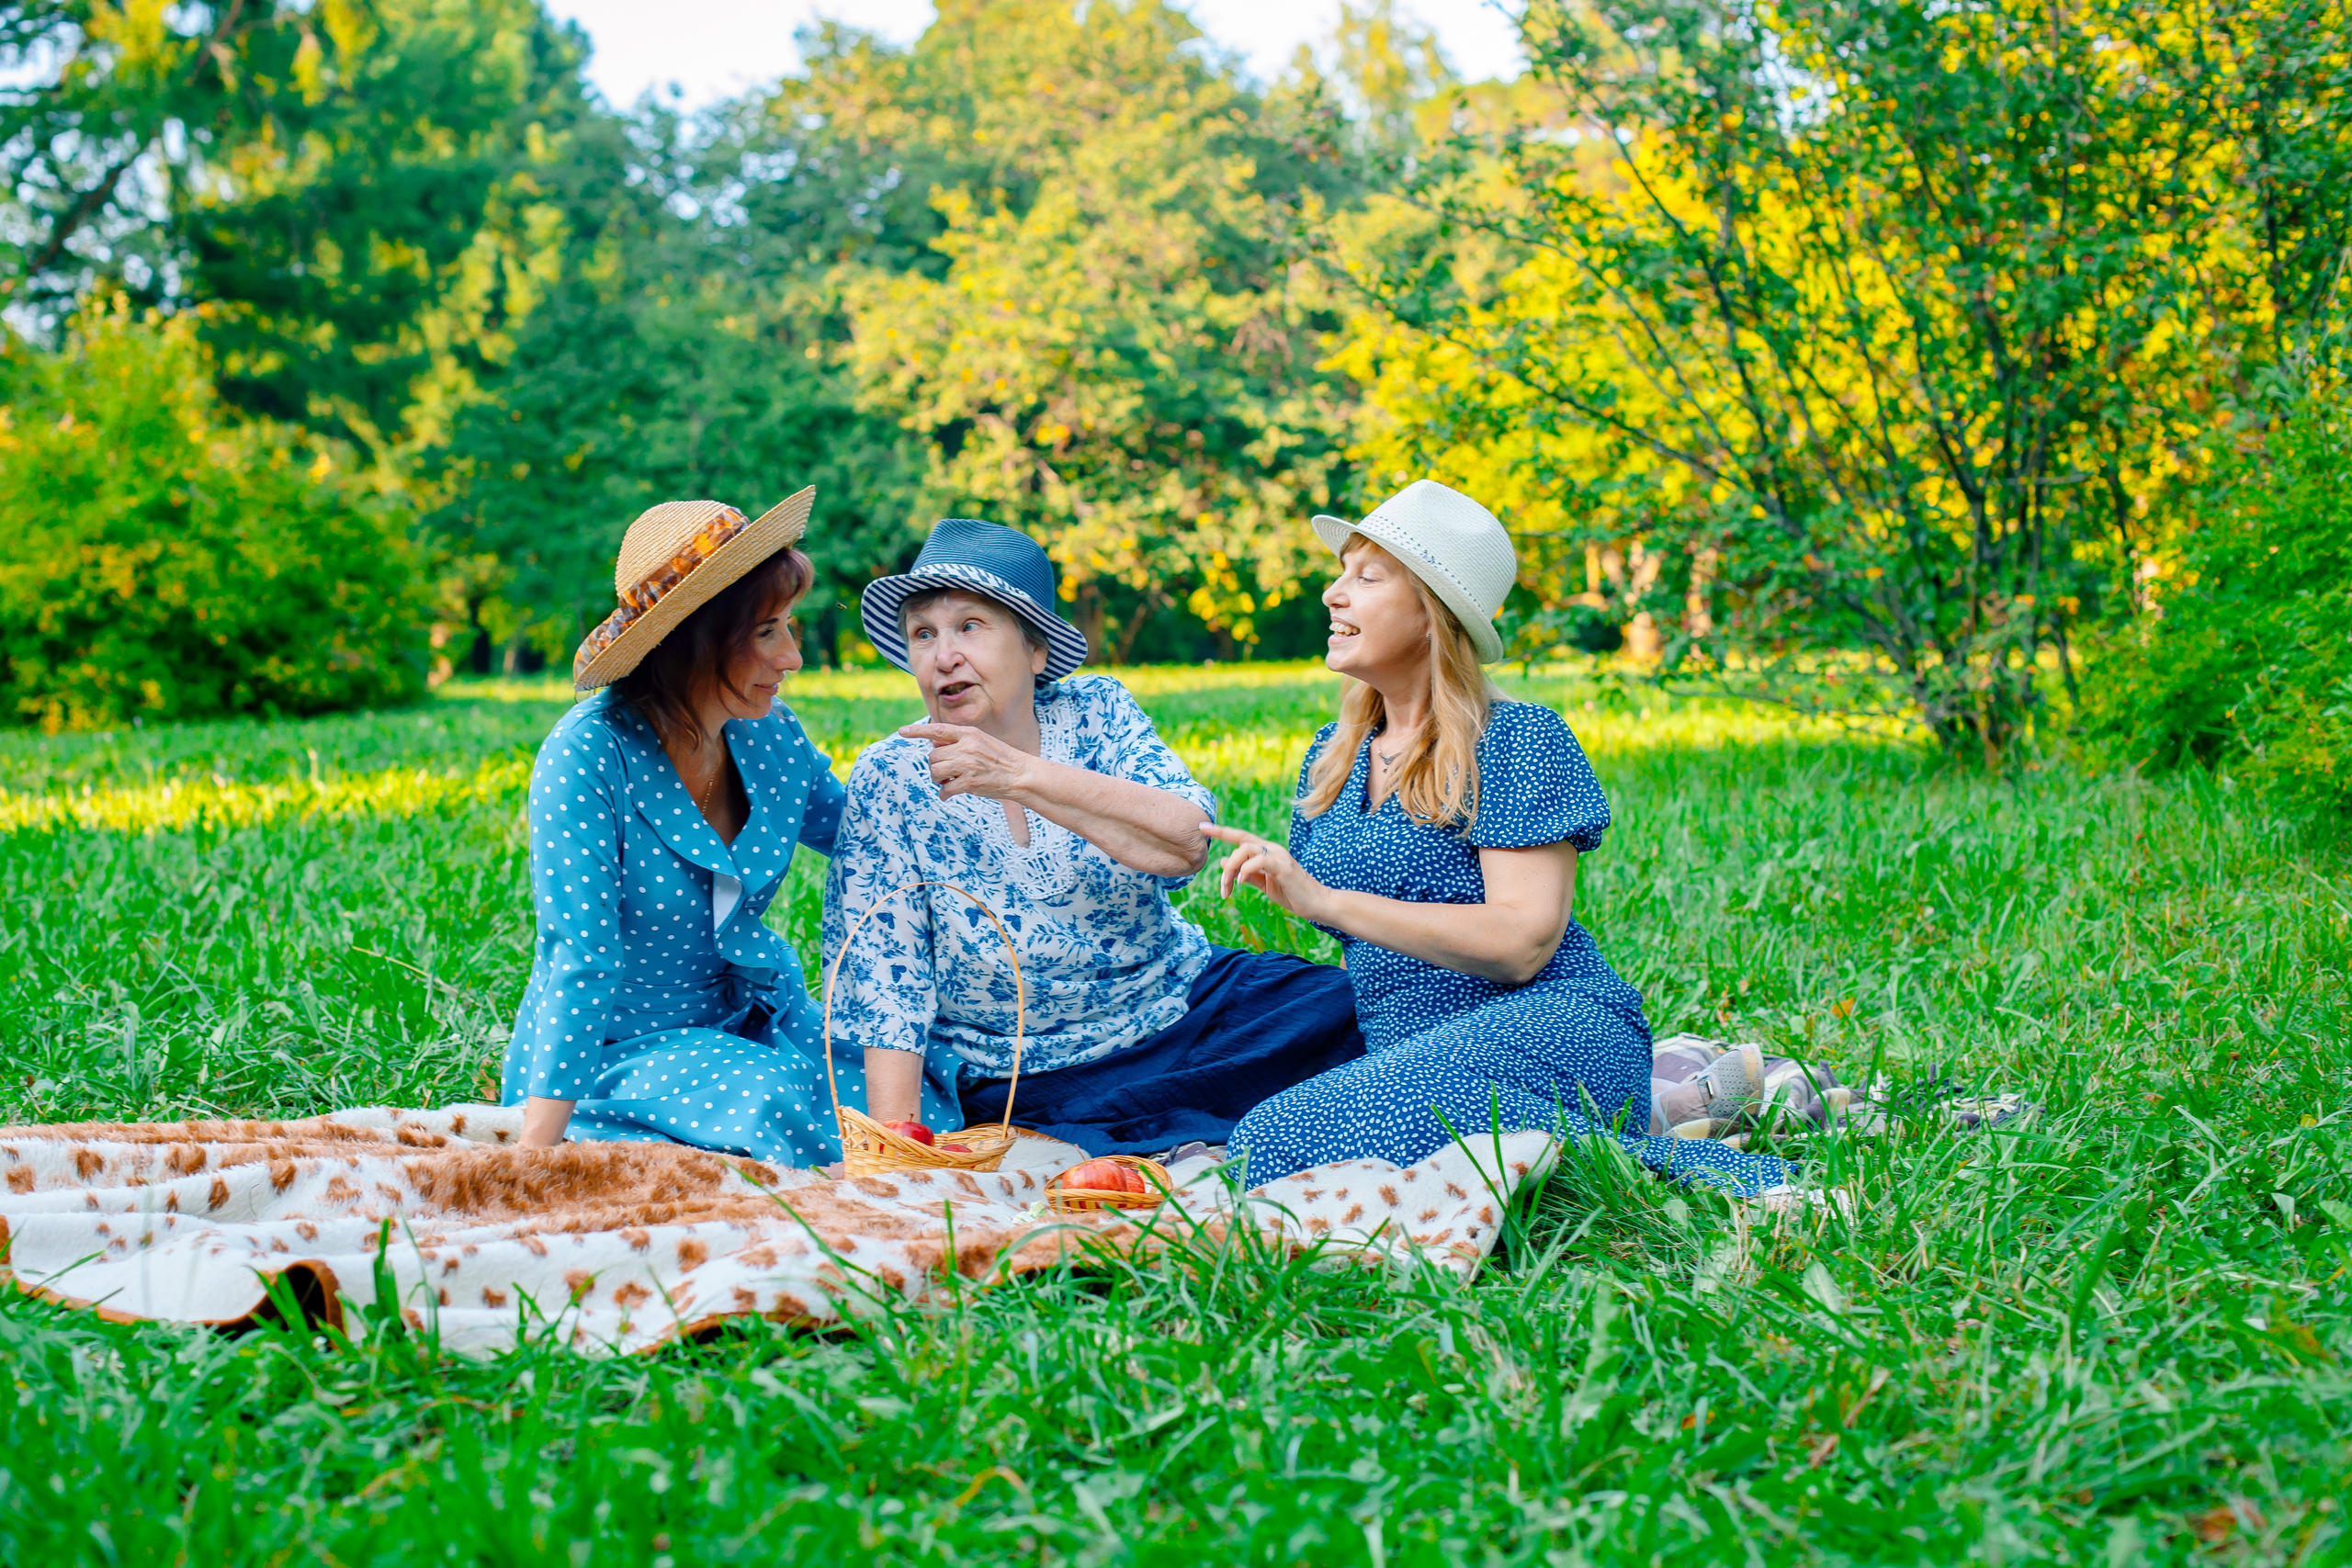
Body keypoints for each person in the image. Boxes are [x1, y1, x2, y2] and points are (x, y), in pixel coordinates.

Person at [1204, 479, 1792, 1194]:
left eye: (1366, 575)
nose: (1333, 593)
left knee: (1279, 1134)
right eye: (1339, 573)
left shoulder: (1518, 739)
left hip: (1552, 1025)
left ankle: (1701, 1167)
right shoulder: (1333, 755)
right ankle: (1648, 1123)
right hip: (1415, 1053)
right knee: (1268, 1138)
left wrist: (1321, 899)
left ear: (1431, 613)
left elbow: (1522, 943)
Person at [821, 518, 1365, 1155]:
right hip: (1030, 1078)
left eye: (970, 626)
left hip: (1183, 1009)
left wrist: (1020, 775)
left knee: (1357, 1009)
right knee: (1046, 1147)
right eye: (923, 634)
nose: (944, 657)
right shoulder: (891, 775)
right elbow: (890, 980)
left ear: (1036, 650)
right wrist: (894, 1155)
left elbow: (1186, 841)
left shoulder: (1097, 712)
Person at [503, 489, 896, 1163]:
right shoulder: (588, 757)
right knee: (770, 1096)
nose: (792, 657)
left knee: (896, 1075)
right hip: (614, 1054)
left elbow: (868, 833)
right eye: (768, 631)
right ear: (696, 641)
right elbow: (581, 956)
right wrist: (535, 1151)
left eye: (789, 626)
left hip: (748, 1024)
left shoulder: (772, 736)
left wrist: (984, 780)